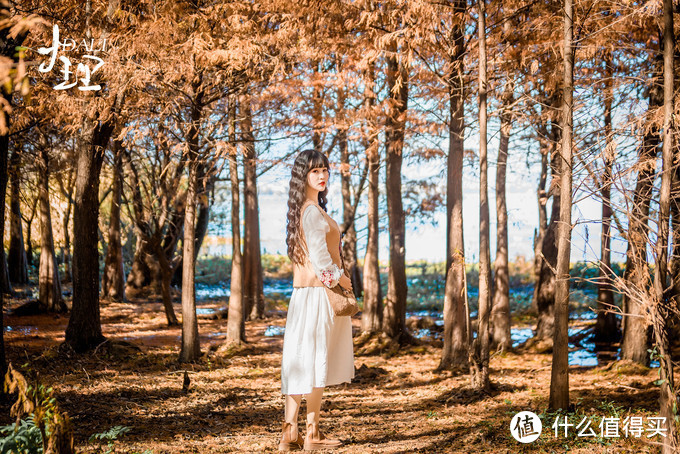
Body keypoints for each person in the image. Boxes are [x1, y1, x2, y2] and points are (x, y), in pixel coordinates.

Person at [279, 149, 355, 451]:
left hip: (305, 296)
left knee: (301, 362)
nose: (322, 175)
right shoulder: (311, 212)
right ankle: (309, 434)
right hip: (318, 297)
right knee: (313, 362)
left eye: (324, 169)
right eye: (314, 171)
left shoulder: (309, 209)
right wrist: (342, 278)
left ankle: (294, 432)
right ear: (303, 176)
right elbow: (323, 265)